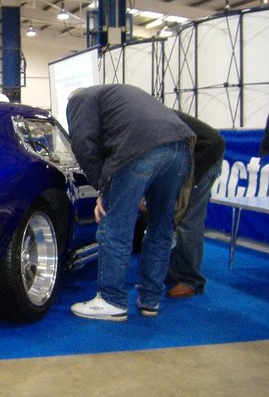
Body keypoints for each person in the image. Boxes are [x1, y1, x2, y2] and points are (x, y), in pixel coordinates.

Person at [66, 84, 194, 321]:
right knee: (160, 229)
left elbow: (83, 144)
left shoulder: (79, 99)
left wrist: (102, 187)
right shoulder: (115, 94)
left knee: (115, 227)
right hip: (180, 148)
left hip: (138, 148)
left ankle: (111, 300)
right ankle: (150, 299)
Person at [166, 111, 225, 298]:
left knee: (187, 218)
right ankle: (174, 273)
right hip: (190, 155)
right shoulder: (145, 115)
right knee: (173, 217)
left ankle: (190, 280)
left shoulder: (148, 119)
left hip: (205, 155)